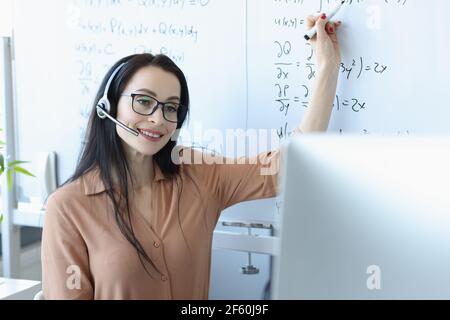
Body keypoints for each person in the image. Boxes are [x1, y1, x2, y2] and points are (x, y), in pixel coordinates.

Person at [41, 14, 342, 299]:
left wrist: (328, 66)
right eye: (143, 101)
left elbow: (285, 167)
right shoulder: (68, 208)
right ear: (108, 107)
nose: (158, 119)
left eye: (171, 107)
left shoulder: (199, 174)